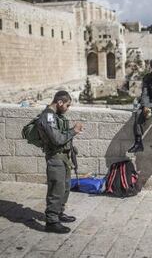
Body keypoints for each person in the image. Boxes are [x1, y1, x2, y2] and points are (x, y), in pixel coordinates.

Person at [37, 91, 84, 233]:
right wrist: (73, 131)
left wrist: (71, 131)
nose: (68, 108)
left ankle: (59, 213)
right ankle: (51, 221)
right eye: (67, 105)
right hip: (55, 158)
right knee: (56, 189)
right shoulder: (48, 116)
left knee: (65, 187)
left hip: (63, 157)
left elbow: (60, 135)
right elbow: (57, 139)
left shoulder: (56, 116)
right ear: (60, 102)